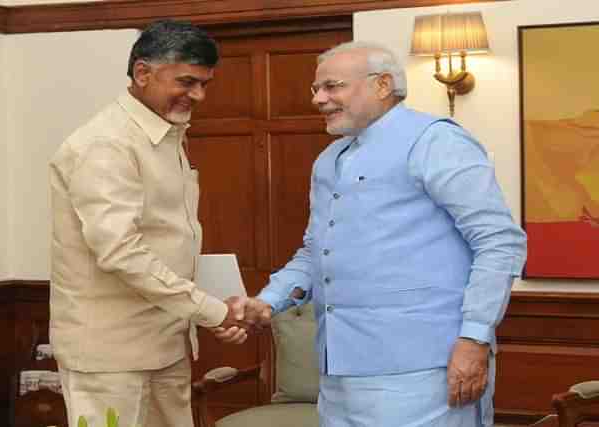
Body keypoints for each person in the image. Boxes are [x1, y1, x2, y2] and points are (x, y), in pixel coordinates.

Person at [254, 41, 528, 427]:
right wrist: (268, 300)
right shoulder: (329, 160)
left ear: (382, 85)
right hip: (338, 373)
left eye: (332, 87)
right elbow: (316, 250)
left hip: (422, 370)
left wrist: (474, 339)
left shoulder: (435, 140)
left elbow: (500, 242)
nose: (319, 99)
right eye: (316, 89)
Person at [49, 20, 268, 427]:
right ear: (143, 73)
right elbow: (121, 252)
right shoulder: (107, 144)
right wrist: (212, 311)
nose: (198, 95)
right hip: (110, 358)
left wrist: (216, 308)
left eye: (204, 83)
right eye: (187, 81)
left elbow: (171, 241)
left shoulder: (168, 134)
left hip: (166, 344)